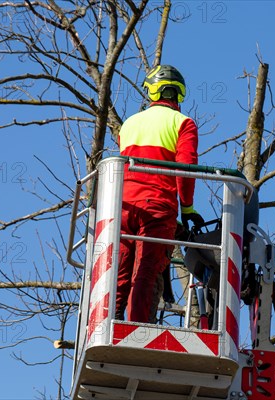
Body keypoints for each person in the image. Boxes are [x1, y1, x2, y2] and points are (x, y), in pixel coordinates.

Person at [116, 65, 204, 323]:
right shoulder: (183, 123)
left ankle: (111, 324)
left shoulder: (129, 124)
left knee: (120, 270)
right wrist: (187, 208)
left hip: (123, 208)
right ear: (178, 94)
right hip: (157, 208)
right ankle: (137, 328)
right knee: (147, 271)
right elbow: (186, 170)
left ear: (151, 92)